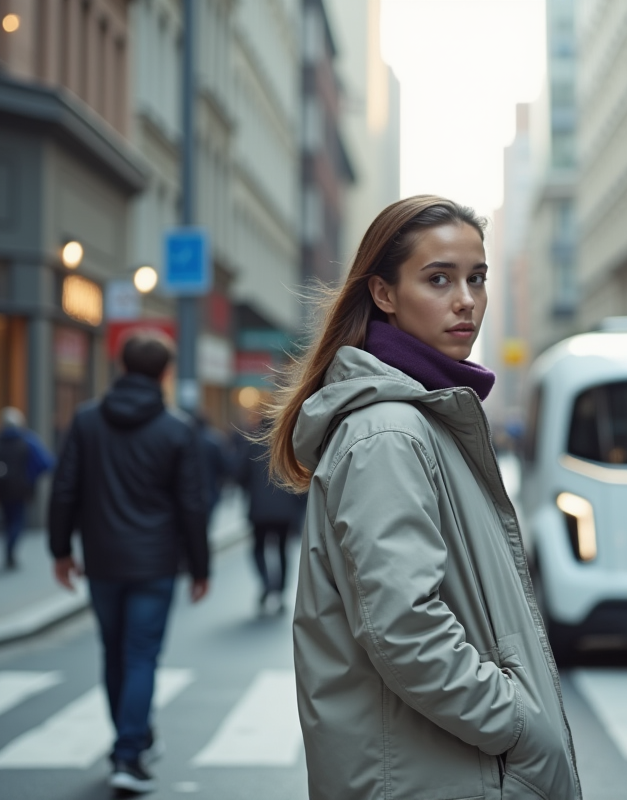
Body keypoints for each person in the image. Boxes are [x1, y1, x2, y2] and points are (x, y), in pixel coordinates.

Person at [264, 196, 581, 800]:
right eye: (439, 279)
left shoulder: (428, 417)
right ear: (383, 294)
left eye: (477, 278)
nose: (466, 300)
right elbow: (404, 627)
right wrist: (518, 723)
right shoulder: (389, 432)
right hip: (431, 776)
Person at [48, 333, 210, 795]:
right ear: (164, 373)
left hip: (101, 558)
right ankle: (129, 752)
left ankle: (130, 737)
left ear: (120, 367)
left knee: (114, 652)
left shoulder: (86, 421)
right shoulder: (177, 430)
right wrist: (200, 567)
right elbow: (192, 505)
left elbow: (65, 490)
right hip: (155, 562)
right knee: (141, 655)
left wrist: (61, 551)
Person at [237, 419, 306, 614]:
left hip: (259, 509)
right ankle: (281, 591)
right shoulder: (289, 445)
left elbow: (239, 474)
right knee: (283, 550)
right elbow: (301, 479)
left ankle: (267, 582)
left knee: (258, 548)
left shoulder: (252, 444)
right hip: (286, 511)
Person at [0, 407, 55, 570]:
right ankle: (10, 549)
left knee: (8, 520)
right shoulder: (28, 440)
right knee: (17, 520)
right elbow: (46, 463)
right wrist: (31, 476)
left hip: (2, 488)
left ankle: (9, 547)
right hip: (21, 488)